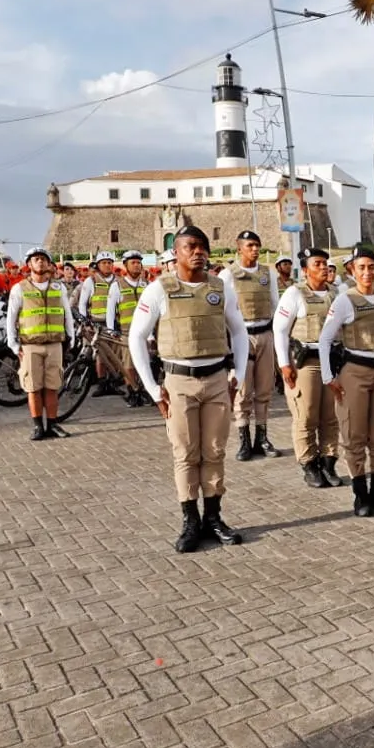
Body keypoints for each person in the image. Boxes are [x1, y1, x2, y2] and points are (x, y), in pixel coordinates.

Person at [129, 225, 249, 552]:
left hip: (216, 380)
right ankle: (190, 520)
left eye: (202, 247)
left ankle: (213, 516)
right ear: (176, 253)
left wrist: (240, 372)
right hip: (179, 382)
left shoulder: (221, 288)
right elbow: (136, 337)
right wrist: (154, 390)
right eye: (189, 247)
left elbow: (238, 332)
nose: (197, 252)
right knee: (185, 453)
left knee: (214, 451)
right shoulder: (159, 289)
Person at [319, 243, 374, 516]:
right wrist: (328, 376)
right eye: (362, 267)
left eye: (372, 267)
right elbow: (325, 339)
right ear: (352, 270)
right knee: (354, 434)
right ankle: (360, 494)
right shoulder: (345, 300)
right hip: (356, 371)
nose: (367, 272)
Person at [274, 249, 344, 487]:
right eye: (317, 264)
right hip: (306, 363)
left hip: (332, 362)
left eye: (325, 263)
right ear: (305, 270)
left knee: (331, 416)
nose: (324, 268)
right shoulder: (295, 294)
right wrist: (284, 364)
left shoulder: (337, 293)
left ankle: (328, 462)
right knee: (306, 415)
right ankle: (309, 464)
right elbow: (280, 330)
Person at [221, 231, 283, 461]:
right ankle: (244, 439)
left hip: (265, 333)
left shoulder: (268, 273)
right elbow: (223, 312)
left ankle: (262, 437)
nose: (255, 249)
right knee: (243, 390)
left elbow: (275, 304)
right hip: (242, 336)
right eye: (250, 245)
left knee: (265, 389)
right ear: (239, 249)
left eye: (257, 245)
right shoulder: (229, 275)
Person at [6, 248, 75, 441]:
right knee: (33, 387)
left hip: (54, 343)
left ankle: (52, 424)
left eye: (44, 260)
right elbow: (11, 318)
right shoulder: (19, 288)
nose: (41, 263)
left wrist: (71, 336)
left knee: (52, 386)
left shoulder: (58, 288)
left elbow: (66, 313)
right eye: (36, 259)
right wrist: (13, 344)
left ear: (50, 264)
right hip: (30, 345)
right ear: (29, 264)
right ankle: (38, 425)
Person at [107, 251, 152, 407]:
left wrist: (151, 334)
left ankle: (143, 390)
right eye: (133, 263)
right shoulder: (117, 285)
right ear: (125, 266)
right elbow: (111, 310)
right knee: (129, 364)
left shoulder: (146, 284)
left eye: (139, 262)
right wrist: (111, 330)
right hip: (127, 332)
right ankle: (132, 391)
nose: (137, 265)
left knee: (146, 362)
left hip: (145, 331)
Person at [78, 253, 120, 395]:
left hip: (115, 323)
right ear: (98, 265)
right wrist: (85, 322)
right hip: (97, 323)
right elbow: (82, 304)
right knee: (101, 355)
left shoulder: (118, 281)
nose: (108, 265)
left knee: (114, 355)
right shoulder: (91, 281)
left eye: (110, 262)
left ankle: (113, 382)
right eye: (104, 263)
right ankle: (102, 383)